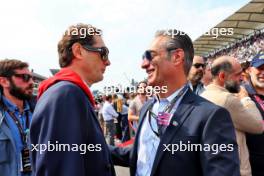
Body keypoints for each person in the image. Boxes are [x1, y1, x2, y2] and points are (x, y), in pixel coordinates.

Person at [110, 29, 240, 176]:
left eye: (150, 56)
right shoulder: (148, 108)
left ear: (177, 57)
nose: (143, 64)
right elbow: (141, 155)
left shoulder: (212, 116)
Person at [30, 23, 116, 176]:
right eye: (103, 52)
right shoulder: (66, 94)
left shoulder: (68, 93)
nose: (107, 61)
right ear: (78, 51)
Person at [201, 56, 264, 176]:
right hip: (245, 168)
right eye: (260, 68)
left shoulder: (205, 95)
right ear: (250, 70)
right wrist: (245, 98)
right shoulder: (235, 97)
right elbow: (258, 126)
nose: (241, 78)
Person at [0, 59, 34, 176]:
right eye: (24, 77)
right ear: (4, 81)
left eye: (31, 77)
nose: (31, 82)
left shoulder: (41, 112)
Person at [244, 52, 264, 176]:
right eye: (260, 68)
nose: (263, 73)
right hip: (254, 169)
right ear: (250, 70)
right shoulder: (238, 96)